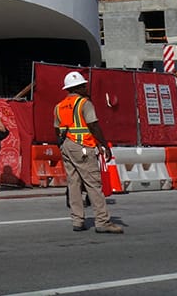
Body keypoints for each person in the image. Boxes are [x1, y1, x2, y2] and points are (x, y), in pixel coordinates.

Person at [55, 71, 124, 234]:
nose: (86, 88)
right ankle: (102, 221)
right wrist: (104, 145)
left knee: (74, 184)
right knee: (93, 184)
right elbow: (93, 125)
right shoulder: (84, 103)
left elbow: (57, 129)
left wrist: (63, 145)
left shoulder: (59, 106)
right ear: (77, 88)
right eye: (83, 86)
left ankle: (77, 220)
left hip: (67, 146)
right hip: (83, 147)